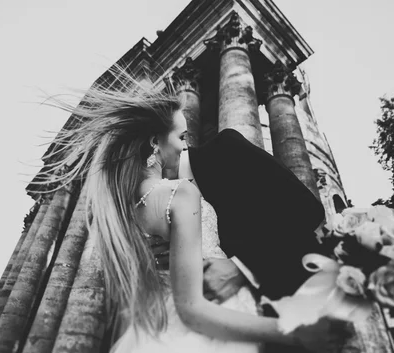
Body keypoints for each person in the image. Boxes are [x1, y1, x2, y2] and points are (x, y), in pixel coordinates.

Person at [42, 78, 345, 353]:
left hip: (272, 306)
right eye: (181, 136)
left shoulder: (226, 152)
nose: (186, 144)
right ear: (155, 143)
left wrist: (241, 268)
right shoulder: (152, 201)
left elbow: (305, 209)